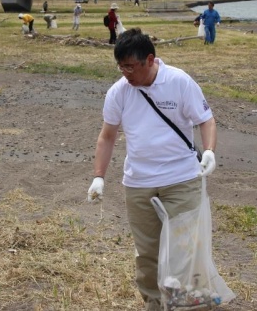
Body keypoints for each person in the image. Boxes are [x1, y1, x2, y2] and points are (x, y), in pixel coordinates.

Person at [87, 28, 218, 311]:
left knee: (185, 248)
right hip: (139, 183)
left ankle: (190, 303)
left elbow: (205, 120)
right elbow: (107, 136)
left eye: (131, 67)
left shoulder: (179, 81)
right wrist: (99, 176)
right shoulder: (118, 92)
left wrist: (208, 151)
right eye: (121, 67)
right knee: (147, 252)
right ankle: (155, 304)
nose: (126, 74)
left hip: (182, 179)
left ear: (149, 59)